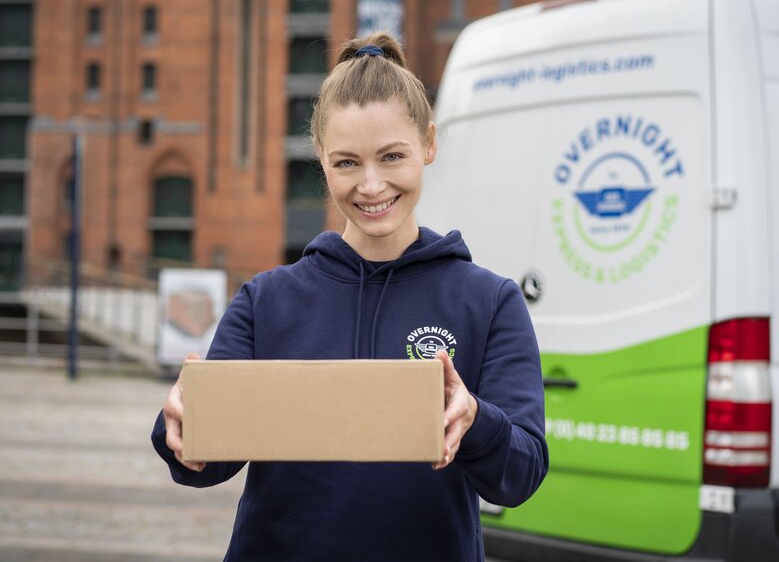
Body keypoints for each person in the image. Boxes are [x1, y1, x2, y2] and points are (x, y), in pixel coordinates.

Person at [152, 32, 548, 561]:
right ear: (321, 158)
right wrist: (181, 431)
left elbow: (520, 476)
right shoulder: (266, 301)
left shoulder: (489, 302)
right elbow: (205, 464)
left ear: (429, 144)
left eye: (391, 156)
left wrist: (476, 419)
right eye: (346, 163)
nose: (371, 184)